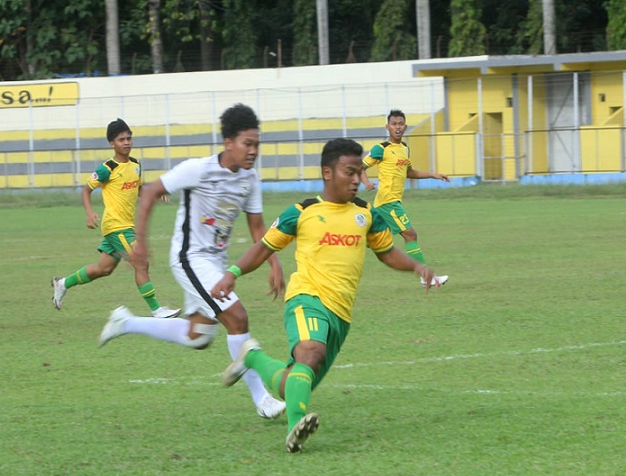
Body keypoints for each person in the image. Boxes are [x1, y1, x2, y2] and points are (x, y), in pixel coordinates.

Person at [212, 137, 440, 453]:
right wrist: (231, 274)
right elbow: (263, 247)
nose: (359, 180)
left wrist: (417, 267)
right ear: (328, 173)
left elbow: (386, 253)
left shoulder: (366, 213)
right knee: (310, 352)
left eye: (360, 172)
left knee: (293, 381)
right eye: (350, 172)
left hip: (341, 314)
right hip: (306, 298)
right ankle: (295, 431)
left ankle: (252, 357)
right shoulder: (302, 212)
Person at [97, 103, 287, 420]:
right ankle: (263, 400)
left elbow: (257, 226)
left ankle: (125, 322)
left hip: (215, 260)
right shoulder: (198, 169)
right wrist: (141, 244)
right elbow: (150, 193)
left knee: (198, 336)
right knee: (237, 318)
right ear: (229, 143)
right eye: (247, 144)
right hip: (189, 257)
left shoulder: (250, 180)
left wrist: (274, 263)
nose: (253, 151)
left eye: (257, 144)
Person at [52, 118, 181, 318]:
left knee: (103, 269)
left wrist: (153, 193)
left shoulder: (136, 165)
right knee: (141, 261)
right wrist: (89, 213)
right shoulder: (107, 168)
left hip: (125, 225)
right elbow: (86, 190)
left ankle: (62, 283)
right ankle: (157, 309)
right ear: (112, 143)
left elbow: (137, 189)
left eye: (129, 138)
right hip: (116, 225)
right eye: (122, 139)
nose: (127, 142)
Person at [361, 108, 450, 287]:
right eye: (394, 124)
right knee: (410, 234)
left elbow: (409, 172)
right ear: (387, 127)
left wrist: (433, 174)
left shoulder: (404, 149)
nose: (398, 127)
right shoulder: (381, 149)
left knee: (371, 240)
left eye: (401, 124)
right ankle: (427, 277)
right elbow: (360, 166)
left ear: (406, 126)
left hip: (388, 203)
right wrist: (367, 184)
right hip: (388, 201)